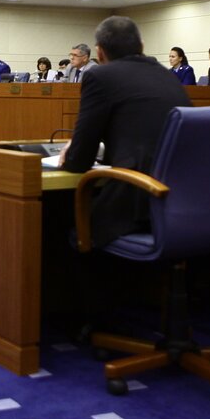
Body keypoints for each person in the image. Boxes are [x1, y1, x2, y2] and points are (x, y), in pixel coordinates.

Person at [59, 16, 192, 248]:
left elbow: (79, 161)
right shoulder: (166, 75)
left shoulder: (99, 76)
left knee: (58, 224)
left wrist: (70, 152)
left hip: (136, 202)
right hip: (183, 200)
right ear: (141, 46)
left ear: (99, 54)